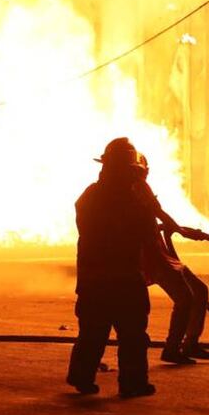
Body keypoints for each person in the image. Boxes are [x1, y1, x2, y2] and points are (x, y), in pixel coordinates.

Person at [66, 138, 158, 398]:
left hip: (94, 279)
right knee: (133, 335)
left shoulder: (90, 196)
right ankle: (133, 383)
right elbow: (146, 233)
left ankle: (82, 376)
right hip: (124, 278)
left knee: (92, 332)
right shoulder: (132, 200)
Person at [134, 154, 209, 364]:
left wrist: (181, 231)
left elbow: (157, 215)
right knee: (186, 298)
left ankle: (190, 343)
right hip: (150, 254)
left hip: (158, 251)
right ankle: (172, 348)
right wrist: (182, 231)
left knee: (199, 290)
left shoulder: (133, 187)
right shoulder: (135, 187)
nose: (146, 171)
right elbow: (158, 213)